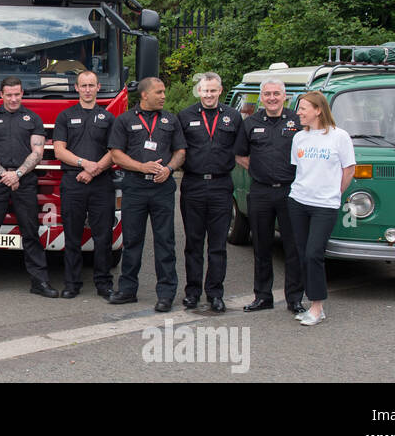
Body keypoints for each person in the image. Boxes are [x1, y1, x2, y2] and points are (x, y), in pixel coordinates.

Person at [0, 76, 57, 297]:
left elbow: (37, 152)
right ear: (1, 95)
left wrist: (17, 174)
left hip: (25, 181)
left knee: (30, 231)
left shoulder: (33, 119)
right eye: (8, 95)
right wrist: (5, 174)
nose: (13, 99)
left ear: (22, 94)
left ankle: (40, 282)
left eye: (17, 94)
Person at [107, 77, 186, 312]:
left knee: (165, 241)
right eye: (159, 92)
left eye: (164, 92)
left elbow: (180, 151)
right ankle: (127, 290)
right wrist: (141, 167)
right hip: (135, 186)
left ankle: (166, 294)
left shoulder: (170, 120)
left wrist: (169, 169)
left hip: (162, 188)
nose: (163, 96)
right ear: (144, 95)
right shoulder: (124, 121)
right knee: (132, 241)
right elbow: (116, 154)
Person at [234, 79, 306, 314]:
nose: (272, 98)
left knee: (293, 247)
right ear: (261, 97)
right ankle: (262, 296)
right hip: (261, 191)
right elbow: (240, 155)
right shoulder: (251, 123)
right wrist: (259, 170)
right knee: (261, 246)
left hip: (291, 191)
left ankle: (294, 298)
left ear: (285, 96)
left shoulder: (297, 122)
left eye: (277, 93)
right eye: (267, 94)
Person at [176, 72, 242, 313]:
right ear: (199, 91)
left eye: (213, 90)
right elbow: (178, 150)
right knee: (193, 243)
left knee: (217, 245)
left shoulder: (233, 117)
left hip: (221, 185)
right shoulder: (185, 116)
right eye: (205, 90)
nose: (209, 95)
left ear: (220, 90)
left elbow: (241, 149)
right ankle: (192, 292)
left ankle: (215, 293)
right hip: (193, 184)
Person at [288, 92, 355, 326]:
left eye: (303, 108)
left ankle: (317, 307)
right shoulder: (299, 138)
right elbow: (299, 170)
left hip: (324, 206)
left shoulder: (340, 137)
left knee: (314, 254)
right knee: (302, 253)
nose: (298, 112)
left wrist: (334, 193)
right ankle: (313, 304)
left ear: (318, 110)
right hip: (298, 201)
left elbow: (349, 170)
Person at [51, 70, 117, 299]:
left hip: (101, 184)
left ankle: (104, 283)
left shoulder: (108, 118)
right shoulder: (65, 116)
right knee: (72, 235)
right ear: (76, 88)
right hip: (73, 182)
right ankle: (72, 283)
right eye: (83, 86)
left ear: (98, 88)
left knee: (103, 236)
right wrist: (84, 164)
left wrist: (95, 169)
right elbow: (59, 150)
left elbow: (115, 151)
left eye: (92, 85)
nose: (87, 90)